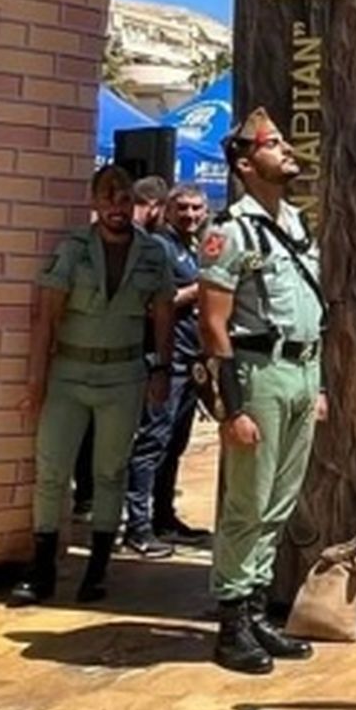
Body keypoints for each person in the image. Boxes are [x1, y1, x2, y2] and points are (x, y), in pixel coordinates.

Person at [11, 164, 175, 606]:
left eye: (124, 200)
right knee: (51, 471)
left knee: (110, 472)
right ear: (94, 202)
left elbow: (163, 313)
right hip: (69, 372)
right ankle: (41, 569)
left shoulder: (153, 253)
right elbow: (46, 316)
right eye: (108, 198)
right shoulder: (74, 249)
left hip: (123, 375)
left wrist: (162, 370)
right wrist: (36, 381)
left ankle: (97, 569)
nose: (117, 208)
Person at [198, 109, 326, 675]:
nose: (288, 151)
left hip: (302, 370)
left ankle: (256, 610)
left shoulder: (297, 223)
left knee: (278, 501)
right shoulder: (229, 231)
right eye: (275, 146)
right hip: (258, 373)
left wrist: (316, 383)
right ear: (246, 164)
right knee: (246, 502)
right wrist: (231, 406)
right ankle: (231, 623)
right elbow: (213, 323)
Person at [121, 181, 212, 555]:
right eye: (183, 208)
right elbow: (151, 304)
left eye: (196, 209)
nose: (190, 215)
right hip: (165, 360)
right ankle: (137, 527)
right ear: (167, 211)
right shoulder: (158, 247)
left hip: (191, 361)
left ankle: (163, 517)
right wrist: (196, 291)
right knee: (151, 442)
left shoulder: (193, 248)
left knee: (175, 444)